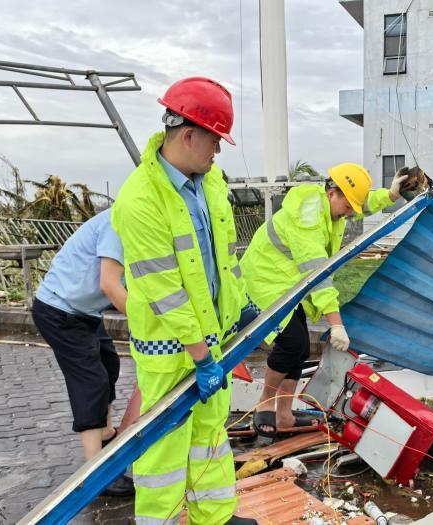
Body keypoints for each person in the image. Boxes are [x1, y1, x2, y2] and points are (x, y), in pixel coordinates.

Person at [112, 77, 256, 525]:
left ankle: (213, 517)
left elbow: (220, 263)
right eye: (215, 140)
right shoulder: (140, 198)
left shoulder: (209, 183)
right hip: (171, 348)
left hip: (210, 342)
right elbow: (165, 291)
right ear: (190, 134)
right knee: (165, 448)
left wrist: (239, 309)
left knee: (209, 436)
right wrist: (200, 356)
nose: (218, 152)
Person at [241, 163, 408, 437]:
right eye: (348, 205)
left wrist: (390, 196)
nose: (352, 213)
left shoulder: (329, 207)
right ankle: (264, 407)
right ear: (333, 193)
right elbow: (317, 274)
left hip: (288, 282)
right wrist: (336, 323)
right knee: (291, 343)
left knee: (301, 348)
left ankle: (283, 416)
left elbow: (361, 205)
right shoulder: (307, 220)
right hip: (265, 281)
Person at [31, 208, 133, 496]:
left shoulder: (138, 222)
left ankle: (105, 434)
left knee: (109, 365)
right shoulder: (120, 221)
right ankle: (95, 473)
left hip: (86, 311)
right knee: (90, 381)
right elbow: (109, 284)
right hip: (59, 310)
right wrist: (147, 326)